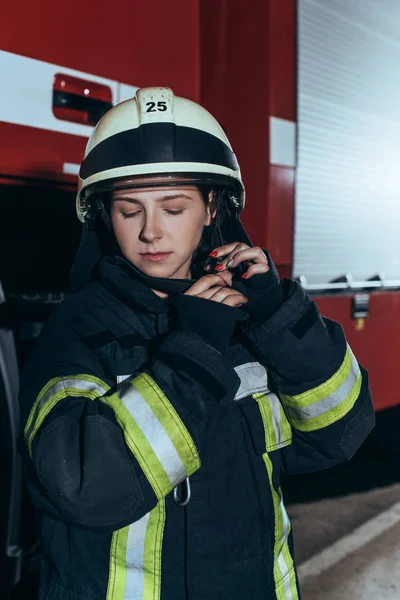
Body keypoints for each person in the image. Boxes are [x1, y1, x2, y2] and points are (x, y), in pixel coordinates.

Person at [20, 87, 375, 600]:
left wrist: (278, 317)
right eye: (128, 210)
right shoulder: (78, 328)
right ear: (103, 216)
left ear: (211, 208)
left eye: (173, 207)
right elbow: (87, 487)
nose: (151, 232)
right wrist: (195, 348)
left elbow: (339, 434)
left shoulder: (251, 319)